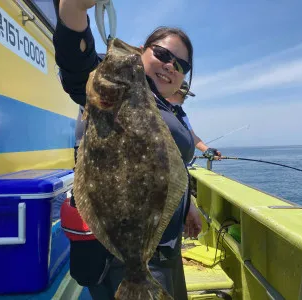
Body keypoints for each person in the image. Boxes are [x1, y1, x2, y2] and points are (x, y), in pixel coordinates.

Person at [53, 0, 199, 299]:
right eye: (162, 54)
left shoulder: (167, 108)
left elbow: (170, 168)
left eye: (180, 65)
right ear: (143, 52)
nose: (170, 65)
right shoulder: (114, 92)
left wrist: (188, 204)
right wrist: (75, 9)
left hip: (163, 251)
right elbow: (75, 60)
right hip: (121, 257)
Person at [167, 81, 222, 161]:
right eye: (183, 95)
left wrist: (206, 150)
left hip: (179, 162)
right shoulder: (156, 106)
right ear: (173, 91)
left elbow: (192, 136)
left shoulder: (181, 113)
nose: (184, 99)